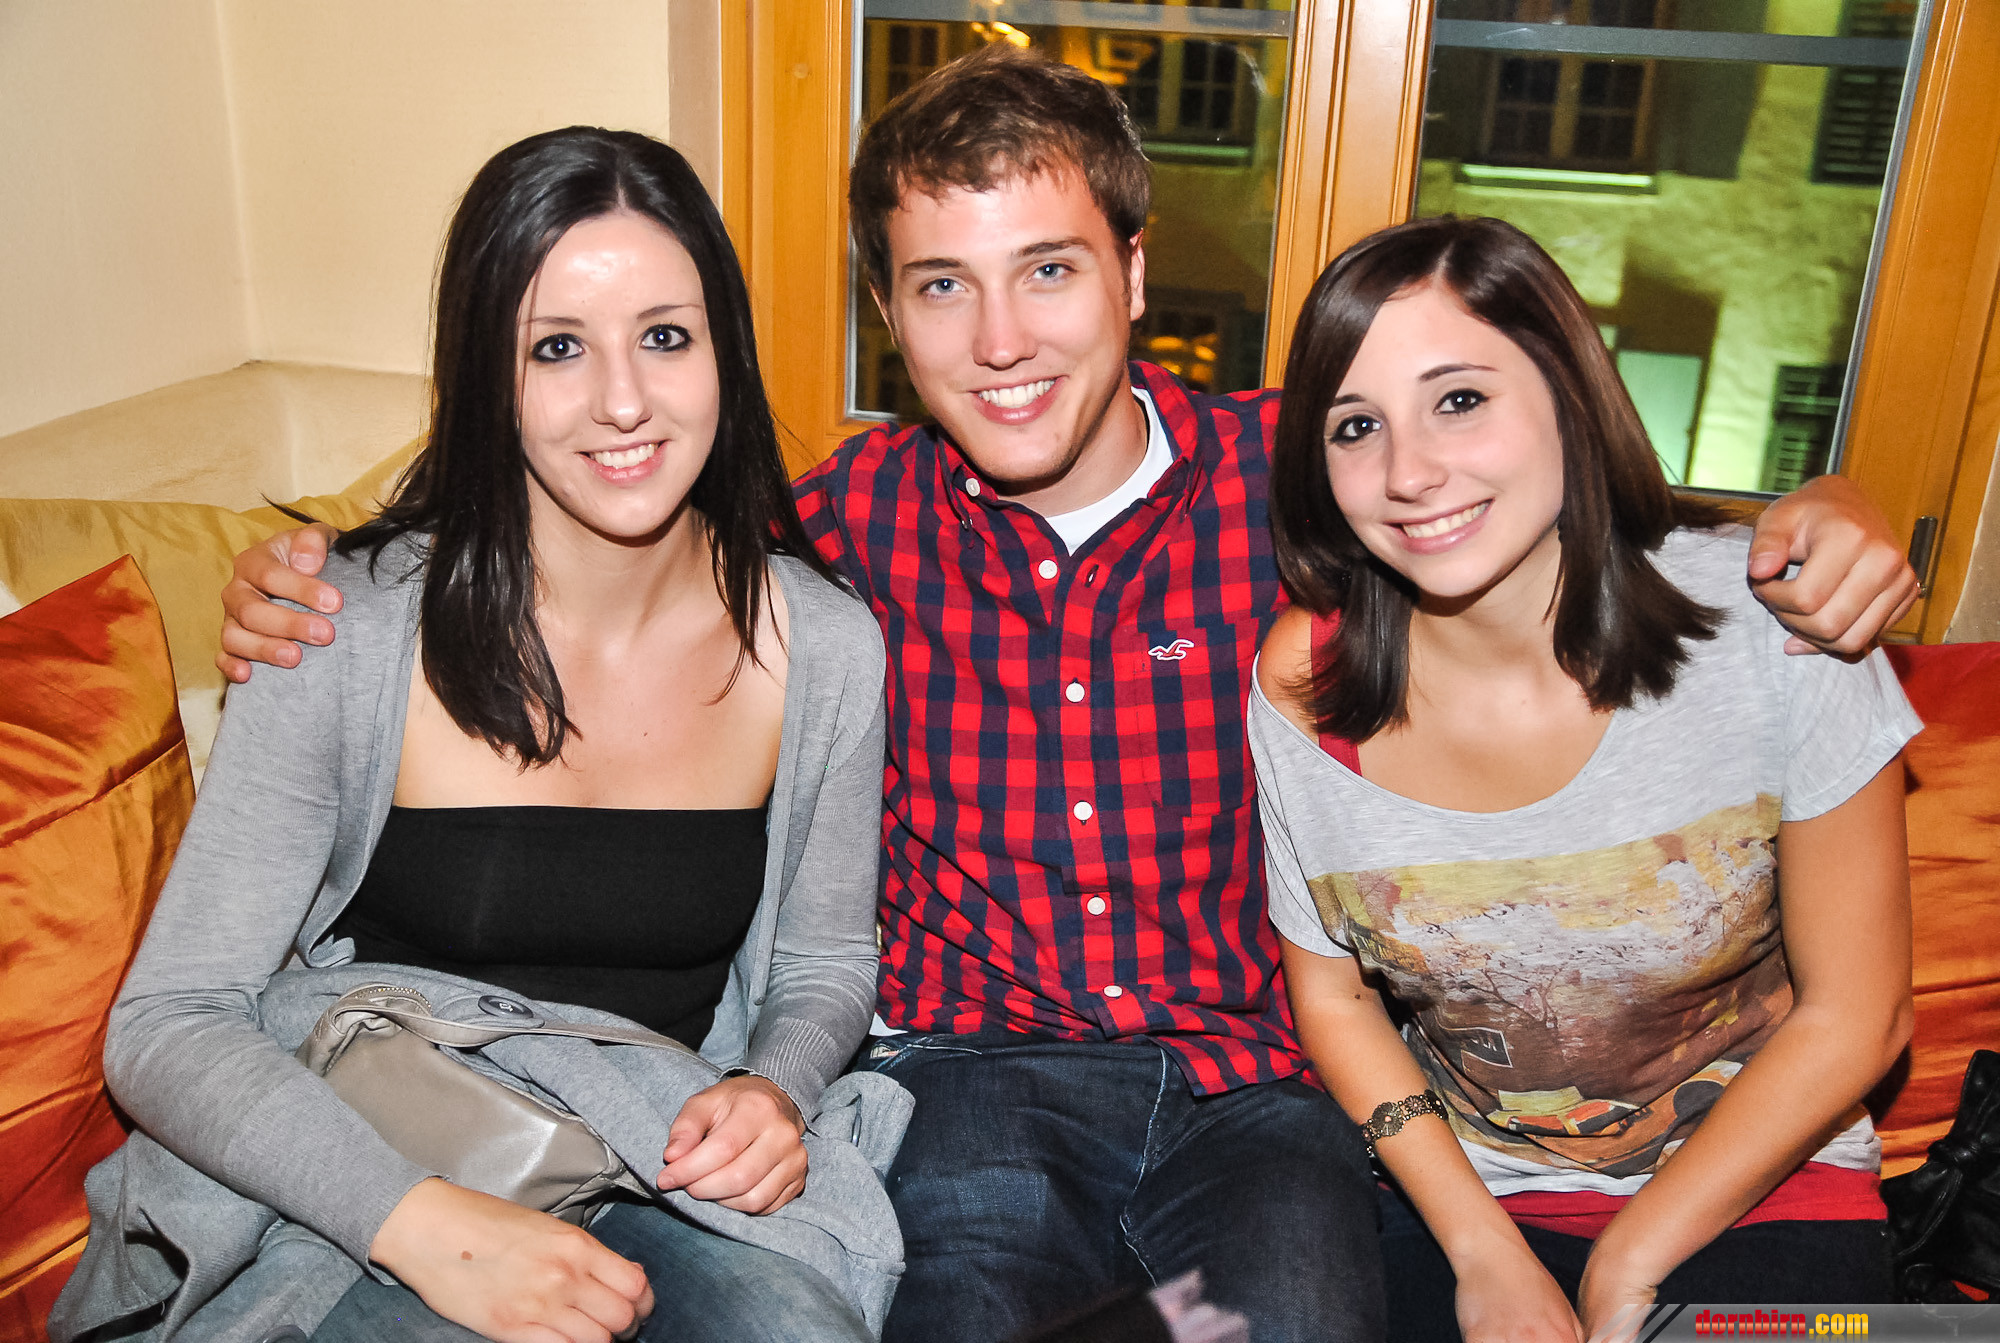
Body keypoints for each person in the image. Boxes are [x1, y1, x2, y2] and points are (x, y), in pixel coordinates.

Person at [215, 48, 1922, 1343]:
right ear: (887, 314)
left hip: (1260, 1088)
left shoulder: (1310, 481)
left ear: (1132, 270)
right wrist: (312, 578)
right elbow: (603, 516)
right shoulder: (836, 535)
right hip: (975, 1080)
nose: (1000, 339)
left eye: (1047, 268)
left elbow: (1553, 504)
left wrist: (1824, 516)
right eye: (940, 286)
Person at [101, 128, 888, 1343]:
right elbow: (169, 1018)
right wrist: (423, 1226)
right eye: (556, 347)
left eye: (665, 337)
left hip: (645, 1158)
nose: (622, 399)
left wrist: (771, 1085)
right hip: (358, 1172)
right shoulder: (342, 628)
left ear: (724, 352)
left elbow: (823, 960)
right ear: (485, 373)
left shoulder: (822, 647)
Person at [1251, 215, 1918, 1343]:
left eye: (1460, 399)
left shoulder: (1774, 634)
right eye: (1356, 426)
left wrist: (1630, 1257)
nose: (1409, 472)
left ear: (1567, 397)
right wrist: (1484, 1257)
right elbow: (1334, 999)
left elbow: (1862, 1011)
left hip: (1765, 1178)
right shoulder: (1304, 687)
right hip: (1461, 1197)